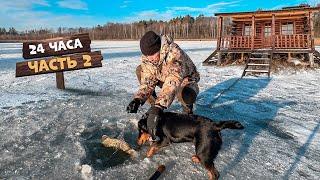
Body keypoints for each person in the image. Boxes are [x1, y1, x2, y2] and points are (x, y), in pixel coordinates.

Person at [127, 31, 200, 140]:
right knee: (140, 70)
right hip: (165, 77)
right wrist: (138, 98)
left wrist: (159, 106)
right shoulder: (148, 59)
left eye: (152, 54)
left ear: (159, 49)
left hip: (185, 80)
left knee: (184, 93)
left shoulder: (174, 52)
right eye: (147, 55)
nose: (150, 58)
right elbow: (148, 80)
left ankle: (187, 110)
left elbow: (173, 80)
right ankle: (154, 105)